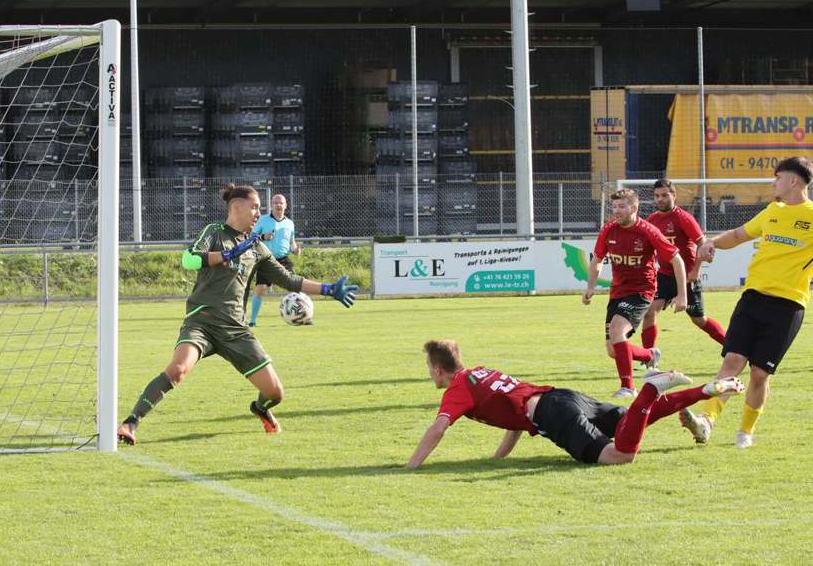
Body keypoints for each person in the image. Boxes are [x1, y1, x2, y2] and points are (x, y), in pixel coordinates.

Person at [116, 184, 358, 445]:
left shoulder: (256, 248)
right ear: (236, 207)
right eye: (254, 207)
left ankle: (261, 408)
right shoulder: (215, 232)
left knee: (275, 392)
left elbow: (288, 279)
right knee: (177, 369)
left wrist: (328, 289)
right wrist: (227, 254)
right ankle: (131, 423)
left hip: (235, 329)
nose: (258, 213)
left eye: (259, 208)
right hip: (202, 321)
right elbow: (189, 260)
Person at [405, 339, 744, 468]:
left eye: (429, 370)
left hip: (554, 414)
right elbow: (515, 417)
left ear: (438, 369)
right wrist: (497, 459)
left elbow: (438, 428)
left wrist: (412, 466)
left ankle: (651, 389)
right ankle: (705, 390)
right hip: (562, 397)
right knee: (637, 420)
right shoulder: (480, 372)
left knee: (620, 455)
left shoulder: (457, 389)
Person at [680, 157, 813, 449]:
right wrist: (713, 242)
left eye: (777, 178)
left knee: (759, 373)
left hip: (788, 306)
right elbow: (740, 235)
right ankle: (706, 421)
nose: (773, 183)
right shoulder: (772, 211)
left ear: (793, 181)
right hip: (752, 299)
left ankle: (745, 433)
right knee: (733, 361)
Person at [584, 188, 688, 399]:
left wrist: (682, 295)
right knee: (613, 350)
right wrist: (590, 286)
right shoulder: (609, 230)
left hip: (642, 291)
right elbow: (597, 260)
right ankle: (650, 354)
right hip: (618, 292)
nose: (616, 211)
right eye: (614, 207)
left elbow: (676, 259)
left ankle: (628, 387)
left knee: (616, 330)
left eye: (621, 207)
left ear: (634, 208)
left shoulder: (648, 231)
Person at [641, 179, 727, 349]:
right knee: (650, 312)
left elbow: (702, 244)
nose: (660, 199)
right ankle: (649, 359)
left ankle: (733, 347)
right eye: (657, 196)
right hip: (665, 275)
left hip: (687, 276)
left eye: (664, 195)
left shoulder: (683, 218)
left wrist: (695, 272)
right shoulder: (652, 219)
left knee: (698, 320)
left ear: (674, 195)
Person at [248, 194, 300, 326]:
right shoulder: (263, 220)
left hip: (283, 259)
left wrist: (295, 249)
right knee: (260, 289)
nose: (278, 205)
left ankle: (301, 316)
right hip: (266, 260)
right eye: (275, 203)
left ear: (285, 205)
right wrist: (264, 237)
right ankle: (252, 321)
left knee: (295, 287)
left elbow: (291, 242)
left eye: (281, 203)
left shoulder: (289, 223)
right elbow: (251, 237)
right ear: (271, 205)